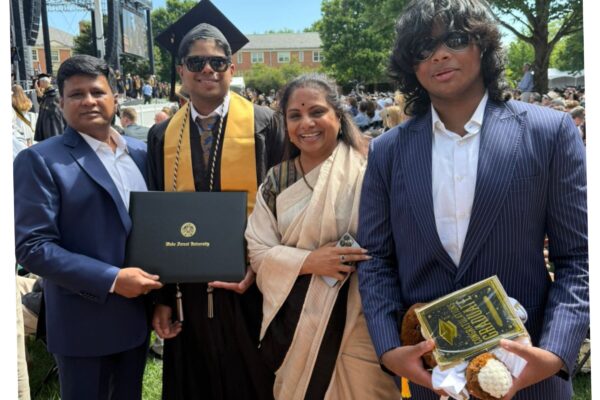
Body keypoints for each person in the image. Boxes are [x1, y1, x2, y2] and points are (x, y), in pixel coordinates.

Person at [356, 1, 588, 399]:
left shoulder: (549, 133)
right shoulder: (387, 151)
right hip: (433, 379)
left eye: (456, 40)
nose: (439, 55)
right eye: (423, 48)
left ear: (483, 45)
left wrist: (554, 352)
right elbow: (375, 259)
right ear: (411, 65)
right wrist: (390, 349)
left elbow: (580, 256)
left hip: (530, 372)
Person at [147, 1, 285, 398]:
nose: (207, 69)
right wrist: (161, 297)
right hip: (187, 287)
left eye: (218, 62)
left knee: (255, 380)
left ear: (231, 68)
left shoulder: (265, 124)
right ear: (181, 71)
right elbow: (157, 219)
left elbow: (287, 203)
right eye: (196, 62)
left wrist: (263, 265)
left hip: (253, 281)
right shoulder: (161, 136)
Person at [14, 54, 163, 400]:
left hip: (137, 319)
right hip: (83, 324)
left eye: (97, 92)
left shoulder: (140, 153)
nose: (88, 101)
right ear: (61, 103)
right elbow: (33, 247)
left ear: (115, 98)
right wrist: (112, 279)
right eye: (76, 94)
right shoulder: (40, 160)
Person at [245, 74, 399, 399]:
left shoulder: (371, 166)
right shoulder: (278, 180)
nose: (306, 123)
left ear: (338, 116)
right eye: (295, 115)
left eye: (317, 112)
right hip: (295, 324)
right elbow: (258, 250)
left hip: (362, 318)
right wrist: (310, 261)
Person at [34, 73, 66, 141]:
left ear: (43, 82)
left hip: (52, 132)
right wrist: (38, 90)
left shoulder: (52, 96)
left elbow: (55, 118)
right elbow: (42, 101)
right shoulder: (48, 95)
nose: (39, 85)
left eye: (39, 82)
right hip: (50, 132)